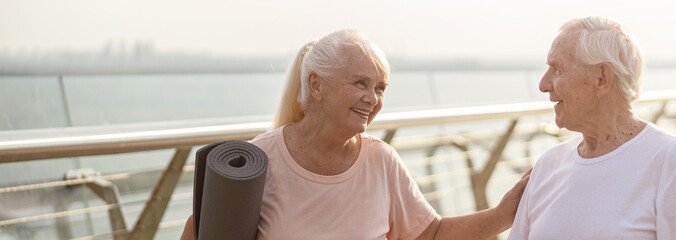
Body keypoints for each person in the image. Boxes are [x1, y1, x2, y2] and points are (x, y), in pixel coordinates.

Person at [180, 29, 531, 240]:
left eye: (380, 88)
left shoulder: (381, 160)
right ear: (316, 85)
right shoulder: (261, 160)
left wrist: (503, 214)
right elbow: (201, 232)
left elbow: (432, 235)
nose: (373, 99)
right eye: (360, 83)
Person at [507, 16, 676, 239]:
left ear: (601, 78)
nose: (543, 85)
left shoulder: (673, 160)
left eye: (558, 70)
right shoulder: (547, 165)